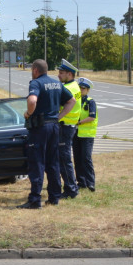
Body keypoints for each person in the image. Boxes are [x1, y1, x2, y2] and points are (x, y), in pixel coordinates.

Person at [17, 59, 67, 209]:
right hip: (54, 126)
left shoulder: (36, 83)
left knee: (37, 162)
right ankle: (54, 197)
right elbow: (71, 101)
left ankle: (34, 199)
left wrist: (27, 113)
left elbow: (32, 101)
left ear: (35, 70)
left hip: (39, 128)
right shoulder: (56, 83)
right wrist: (58, 117)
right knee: (53, 162)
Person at [56, 59, 82, 199]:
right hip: (69, 126)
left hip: (65, 126)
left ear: (70, 74)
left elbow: (64, 105)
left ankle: (70, 190)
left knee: (64, 159)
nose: (58, 75)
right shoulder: (74, 86)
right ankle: (71, 187)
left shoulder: (68, 88)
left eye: (61, 73)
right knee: (65, 158)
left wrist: (58, 117)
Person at [74, 77, 98, 191]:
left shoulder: (90, 101)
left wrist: (79, 122)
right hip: (76, 133)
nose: (81, 89)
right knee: (77, 158)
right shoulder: (76, 98)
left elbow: (92, 117)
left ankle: (90, 182)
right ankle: (81, 182)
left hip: (87, 134)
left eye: (83, 88)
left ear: (87, 90)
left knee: (86, 158)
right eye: (79, 87)